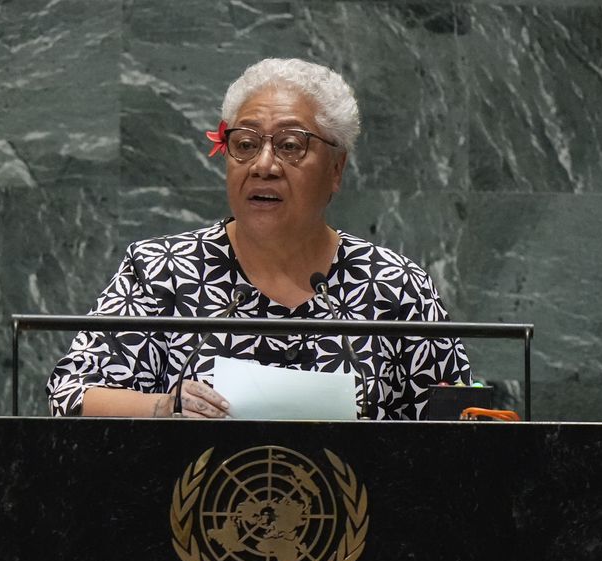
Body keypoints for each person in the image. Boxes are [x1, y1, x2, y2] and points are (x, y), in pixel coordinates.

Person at [46, 58, 471, 419]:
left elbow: (461, 424)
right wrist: (165, 407)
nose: (263, 165)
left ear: (336, 170)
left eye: (290, 146)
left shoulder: (396, 287)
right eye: (245, 144)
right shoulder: (163, 271)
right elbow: (69, 394)